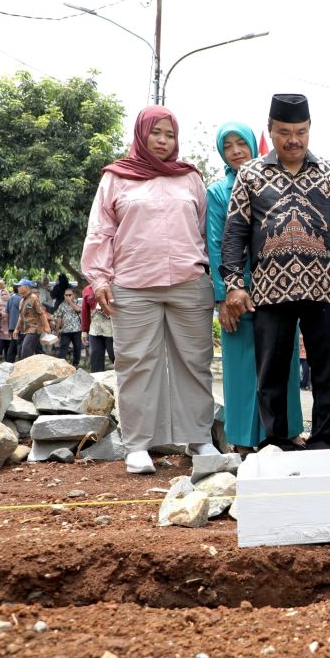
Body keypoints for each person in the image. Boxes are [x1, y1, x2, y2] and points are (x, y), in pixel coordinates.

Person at [83, 104, 219, 475]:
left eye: (169, 134)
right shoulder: (116, 177)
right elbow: (100, 231)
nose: (162, 141)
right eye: (155, 133)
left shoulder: (190, 177)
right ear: (141, 134)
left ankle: (199, 438)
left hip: (189, 284)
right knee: (135, 364)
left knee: (194, 363)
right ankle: (138, 445)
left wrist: (216, 279)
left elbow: (207, 231)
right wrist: (99, 279)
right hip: (132, 286)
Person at [220, 95, 330, 452]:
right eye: (284, 132)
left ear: (310, 130)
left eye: (300, 131)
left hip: (324, 289)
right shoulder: (251, 174)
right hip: (269, 291)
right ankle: (276, 440)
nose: (293, 139)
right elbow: (235, 232)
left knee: (326, 369)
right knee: (271, 371)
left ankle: (325, 438)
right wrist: (235, 284)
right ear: (271, 130)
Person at [205, 120, 304, 449]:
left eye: (241, 144)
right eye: (228, 145)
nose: (235, 151)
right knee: (242, 367)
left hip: (277, 288)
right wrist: (225, 293)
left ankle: (287, 431)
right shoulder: (218, 192)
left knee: (282, 359)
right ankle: (245, 440)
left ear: (253, 145)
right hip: (239, 292)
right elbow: (217, 243)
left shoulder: (272, 182)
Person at [80, 283, 114, 373]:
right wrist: (84, 330)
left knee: (115, 355)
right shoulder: (87, 289)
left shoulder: (114, 286)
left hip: (113, 327)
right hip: (95, 329)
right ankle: (97, 383)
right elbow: (85, 311)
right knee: (95, 357)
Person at [13, 279, 50, 359]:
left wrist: (47, 326)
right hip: (24, 330)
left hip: (34, 329)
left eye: (20, 286)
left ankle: (27, 370)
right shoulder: (22, 300)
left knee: (25, 352)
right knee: (21, 352)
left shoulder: (34, 298)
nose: (18, 288)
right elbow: (21, 316)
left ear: (26, 287)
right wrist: (16, 329)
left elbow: (41, 313)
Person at [53, 286, 83, 365]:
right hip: (65, 330)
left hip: (77, 330)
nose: (68, 297)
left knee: (77, 347)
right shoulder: (62, 305)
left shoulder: (78, 302)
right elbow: (59, 317)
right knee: (63, 347)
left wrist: (70, 302)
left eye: (70, 295)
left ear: (74, 295)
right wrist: (57, 329)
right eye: (66, 295)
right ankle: (60, 364)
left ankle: (75, 364)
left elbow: (78, 309)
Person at [0, 280, 14, 362]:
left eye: (5, 294)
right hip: (1, 327)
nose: (4, 296)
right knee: (1, 342)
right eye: (2, 294)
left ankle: (8, 359)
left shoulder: (12, 302)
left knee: (9, 344)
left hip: (10, 326)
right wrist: (0, 315)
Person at [5, 281, 23, 363]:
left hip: (12, 325)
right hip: (19, 326)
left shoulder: (11, 298)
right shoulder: (21, 299)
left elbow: (7, 313)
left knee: (13, 344)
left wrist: (9, 326)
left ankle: (9, 361)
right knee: (19, 345)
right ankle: (20, 362)